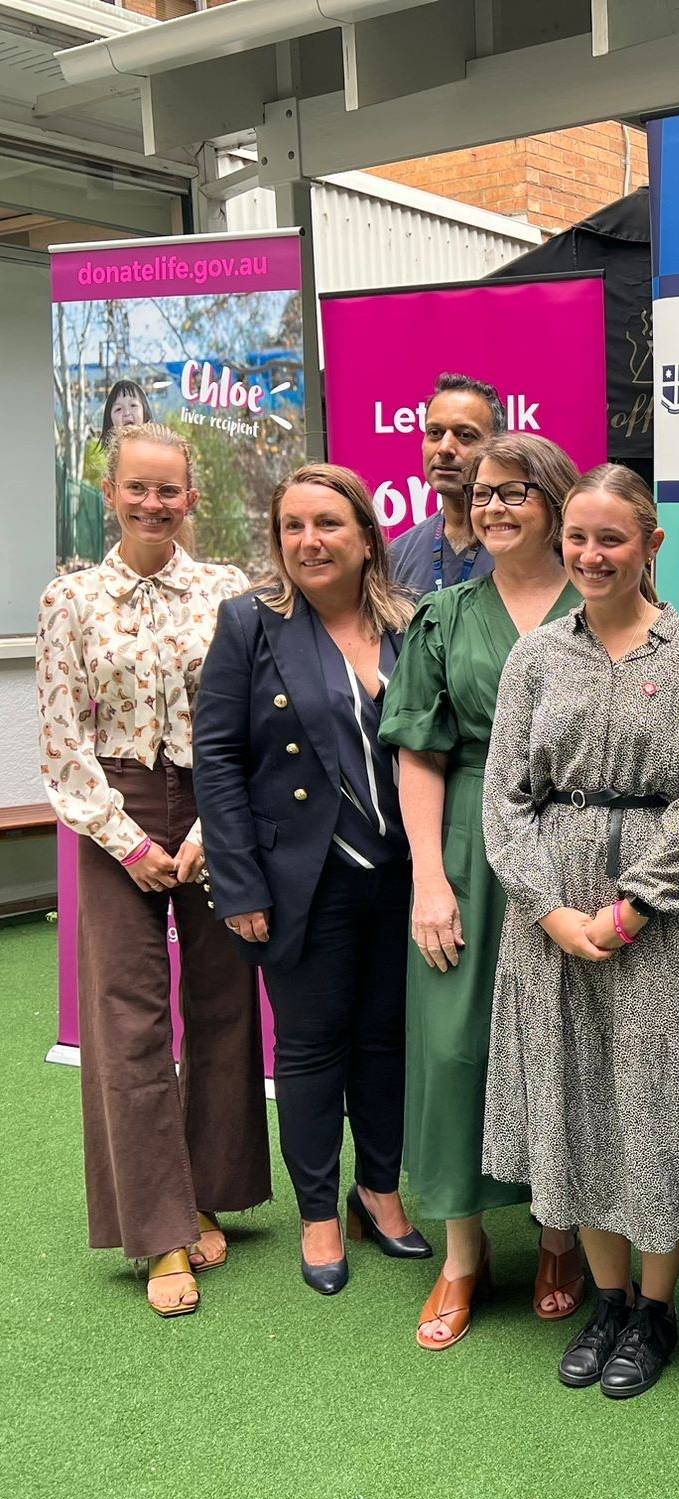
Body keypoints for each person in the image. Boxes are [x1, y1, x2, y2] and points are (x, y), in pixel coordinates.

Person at [481, 463, 679, 1400]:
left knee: (655, 1104)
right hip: (550, 914)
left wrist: (632, 906)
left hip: (658, 922)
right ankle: (607, 1298)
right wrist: (549, 910)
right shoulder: (535, 659)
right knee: (575, 1102)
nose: (591, 556)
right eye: (578, 540)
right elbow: (503, 801)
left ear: (652, 546)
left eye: (612, 539)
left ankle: (656, 1310)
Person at [35, 422, 269, 1318]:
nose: (154, 504)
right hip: (113, 807)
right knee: (128, 1017)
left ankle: (208, 1190)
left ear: (192, 495)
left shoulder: (227, 591)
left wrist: (211, 828)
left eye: (169, 489)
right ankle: (160, 1232)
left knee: (220, 1004)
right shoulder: (71, 597)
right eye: (138, 488)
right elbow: (61, 744)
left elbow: (246, 723)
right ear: (111, 494)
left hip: (214, 803)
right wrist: (128, 842)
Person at [194, 463, 432, 1295]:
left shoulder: (411, 623)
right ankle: (320, 1212)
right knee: (309, 1046)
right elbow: (217, 758)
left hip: (402, 875)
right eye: (293, 526)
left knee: (385, 1040)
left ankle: (380, 1190)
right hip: (300, 879)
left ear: (368, 538)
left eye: (327, 523)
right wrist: (240, 886)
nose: (308, 541)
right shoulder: (249, 625)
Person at [379, 431, 586, 1350]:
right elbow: (418, 749)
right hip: (466, 846)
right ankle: (464, 1253)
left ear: (556, 505)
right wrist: (430, 878)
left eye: (519, 494)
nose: (497, 508)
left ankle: (559, 1235)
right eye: (488, 493)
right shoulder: (445, 615)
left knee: (565, 1045)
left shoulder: (608, 600)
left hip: (577, 851)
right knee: (456, 1050)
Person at [387, 373, 501, 595]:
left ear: (497, 446)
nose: (445, 448)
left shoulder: (522, 550)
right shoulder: (396, 557)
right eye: (435, 433)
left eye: (465, 435)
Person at [99, 379, 152, 449]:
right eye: (118, 409)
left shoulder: (158, 450)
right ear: (110, 422)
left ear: (145, 412)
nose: (127, 413)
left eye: (133, 405)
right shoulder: (114, 457)